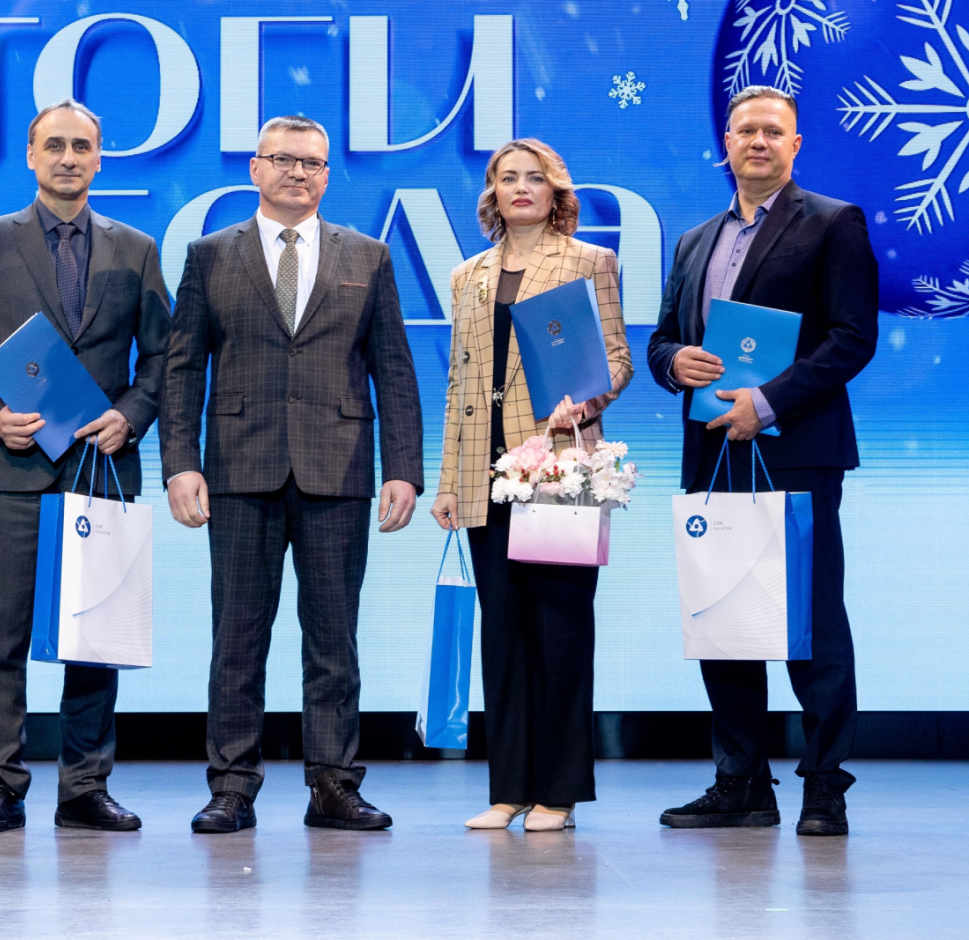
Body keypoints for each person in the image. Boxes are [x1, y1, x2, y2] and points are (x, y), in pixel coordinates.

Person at [161, 115, 423, 834]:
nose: (298, 172)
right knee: (236, 639)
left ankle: (333, 784)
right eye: (283, 159)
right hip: (238, 470)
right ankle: (231, 786)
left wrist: (403, 468)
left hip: (338, 469)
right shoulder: (210, 255)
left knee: (334, 639)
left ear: (327, 176)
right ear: (255, 168)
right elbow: (181, 369)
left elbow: (394, 370)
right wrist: (180, 463)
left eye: (312, 163)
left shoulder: (367, 255)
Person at [0, 99, 171, 833]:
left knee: (94, 640)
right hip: (11, 468)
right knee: (0, 635)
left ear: (100, 159)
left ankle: (84, 788)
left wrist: (130, 415)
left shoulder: (136, 248)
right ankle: (1, 785)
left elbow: (163, 358)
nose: (69, 158)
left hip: (99, 470)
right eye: (55, 146)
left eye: (82, 147)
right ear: (32, 156)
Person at [647, 85, 878, 836]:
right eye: (746, 129)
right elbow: (661, 339)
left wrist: (768, 402)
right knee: (724, 619)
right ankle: (742, 782)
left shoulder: (833, 222)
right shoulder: (694, 241)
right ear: (727, 142)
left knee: (812, 624)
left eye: (774, 131)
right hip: (712, 453)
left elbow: (852, 338)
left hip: (796, 452)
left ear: (795, 145)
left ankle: (825, 786)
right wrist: (672, 362)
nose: (759, 141)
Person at [430, 139, 632, 832]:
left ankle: (560, 791)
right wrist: (449, 480)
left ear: (555, 192)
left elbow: (616, 359)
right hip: (484, 473)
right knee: (504, 634)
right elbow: (459, 382)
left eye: (534, 178)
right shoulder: (468, 275)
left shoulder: (588, 261)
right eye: (507, 177)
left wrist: (587, 399)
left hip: (557, 468)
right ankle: (509, 788)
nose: (521, 187)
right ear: (491, 191)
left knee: (561, 632)